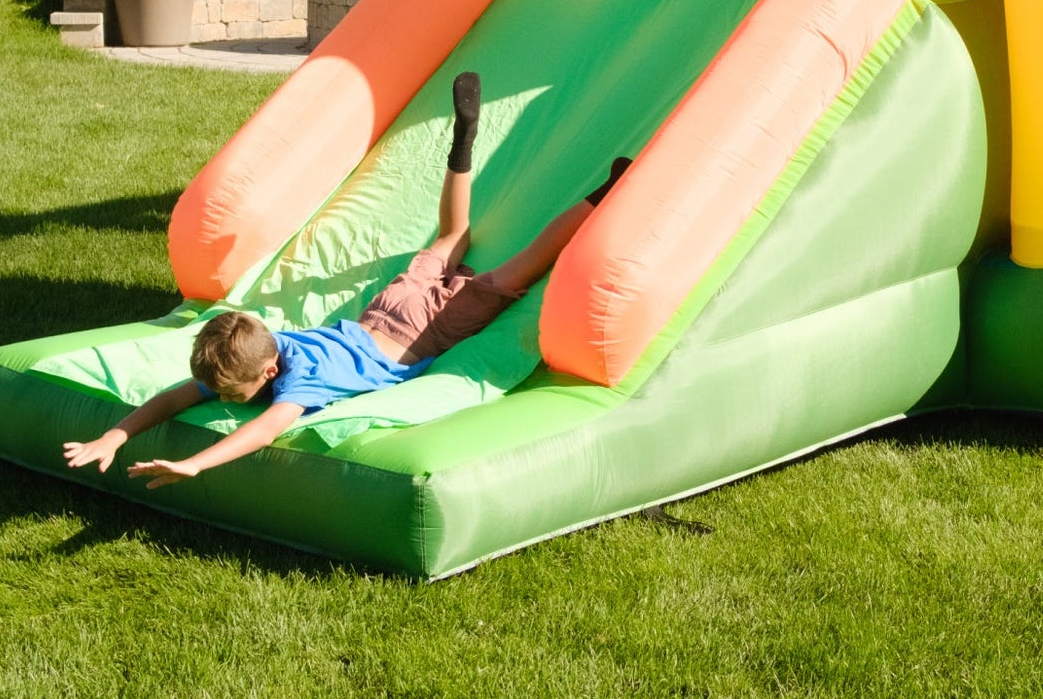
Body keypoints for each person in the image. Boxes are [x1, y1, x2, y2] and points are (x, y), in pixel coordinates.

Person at [63, 73, 629, 487]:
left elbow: (260, 433)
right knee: (451, 237)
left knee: (522, 262)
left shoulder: (298, 383)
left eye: (234, 395)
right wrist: (115, 435)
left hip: (419, 335)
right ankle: (462, 145)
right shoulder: (259, 352)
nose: (227, 401)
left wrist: (194, 463)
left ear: (268, 371)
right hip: (384, 313)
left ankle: (606, 193)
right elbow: (175, 395)